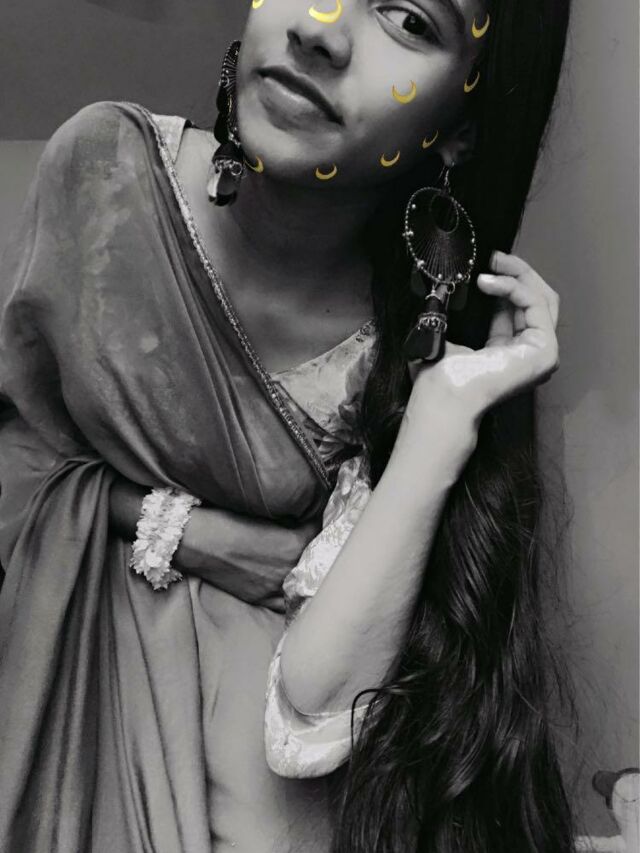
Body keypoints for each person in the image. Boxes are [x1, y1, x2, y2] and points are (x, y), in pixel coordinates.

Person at [0, 0, 577, 849]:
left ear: (461, 131)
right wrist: (185, 532)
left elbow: (316, 708)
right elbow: (19, 455)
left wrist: (440, 420)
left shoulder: (423, 341)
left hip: (266, 803)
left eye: (410, 20)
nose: (320, 28)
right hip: (56, 713)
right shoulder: (103, 172)